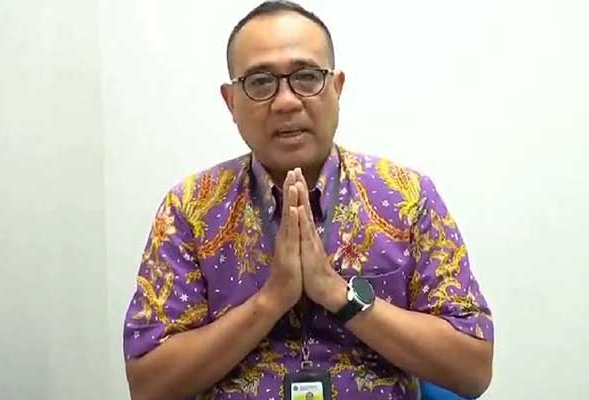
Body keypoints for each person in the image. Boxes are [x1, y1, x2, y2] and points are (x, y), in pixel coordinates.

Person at [122, 2, 494, 400]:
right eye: (260, 82)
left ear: (337, 88)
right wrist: (271, 300)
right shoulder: (191, 208)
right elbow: (148, 384)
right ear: (231, 102)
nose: (285, 101)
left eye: (306, 77)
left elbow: (472, 369)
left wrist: (337, 294)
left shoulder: (405, 196)